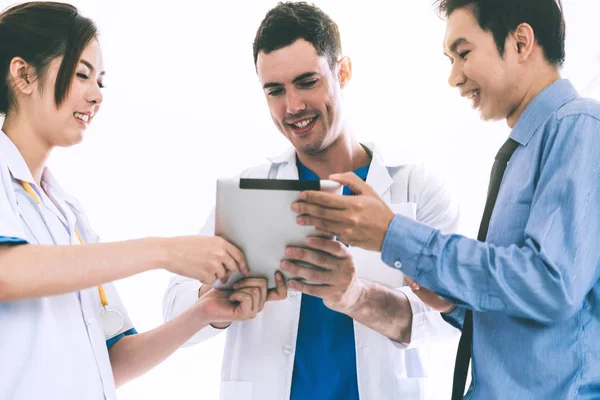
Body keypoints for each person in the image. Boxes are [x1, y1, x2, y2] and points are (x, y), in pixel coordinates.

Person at [293, 0, 600, 398]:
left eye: (464, 53)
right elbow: (527, 313)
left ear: (521, 42)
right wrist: (452, 303)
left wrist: (393, 235)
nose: (455, 77)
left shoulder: (579, 127)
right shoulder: (525, 149)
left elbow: (551, 287)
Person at [163, 2, 461, 399]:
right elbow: (174, 307)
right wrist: (215, 298)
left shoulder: (416, 189)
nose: (293, 106)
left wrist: (355, 295)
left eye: (307, 82)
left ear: (343, 72)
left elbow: (457, 315)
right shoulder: (248, 189)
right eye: (275, 90)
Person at [0, 3, 274, 399]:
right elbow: (9, 273)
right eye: (81, 75)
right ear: (24, 75)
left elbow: (111, 361)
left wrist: (203, 312)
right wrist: (162, 251)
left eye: (100, 82)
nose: (96, 96)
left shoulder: (68, 214)